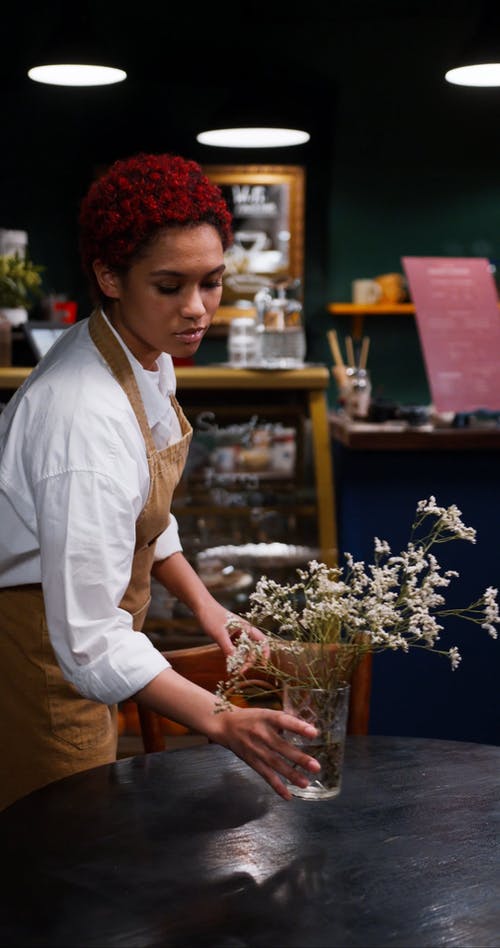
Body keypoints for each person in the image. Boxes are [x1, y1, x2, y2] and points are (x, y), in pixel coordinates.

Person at [0, 152, 320, 810]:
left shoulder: (142, 350)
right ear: (109, 276)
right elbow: (90, 639)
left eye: (212, 282)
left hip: (83, 646)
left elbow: (143, 511)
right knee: (60, 845)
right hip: (47, 659)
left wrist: (207, 607)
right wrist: (220, 720)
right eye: (170, 286)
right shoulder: (82, 417)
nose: (197, 310)